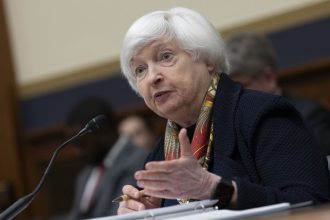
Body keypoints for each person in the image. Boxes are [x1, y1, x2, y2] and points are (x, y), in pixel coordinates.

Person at [117, 7, 330, 214]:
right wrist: (149, 213)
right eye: (140, 69)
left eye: (165, 57)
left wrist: (215, 189)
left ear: (208, 60)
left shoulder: (262, 114)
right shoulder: (160, 153)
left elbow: (311, 203)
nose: (153, 77)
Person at [225, 32, 330, 155]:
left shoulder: (309, 116)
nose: (234, 97)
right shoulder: (229, 126)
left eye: (241, 87)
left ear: (269, 78)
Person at [65, 98, 148, 219]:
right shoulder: (85, 175)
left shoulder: (139, 161)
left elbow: (119, 214)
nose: (77, 152)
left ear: (104, 130)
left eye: (81, 143)